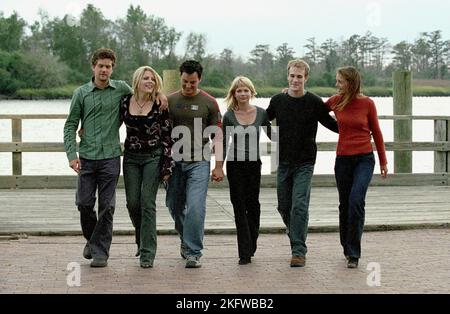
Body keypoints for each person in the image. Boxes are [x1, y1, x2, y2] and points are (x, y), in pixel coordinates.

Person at [63, 48, 167, 268]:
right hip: (87, 157)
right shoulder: (81, 93)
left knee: (107, 207)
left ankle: (101, 252)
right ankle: (92, 241)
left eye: (108, 66)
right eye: (100, 65)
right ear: (93, 67)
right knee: (83, 203)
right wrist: (72, 155)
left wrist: (159, 94)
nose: (104, 70)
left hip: (111, 157)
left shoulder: (121, 89)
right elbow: (70, 125)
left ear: (112, 68)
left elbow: (142, 93)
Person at [266, 59, 339, 267]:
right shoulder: (278, 100)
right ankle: (296, 232)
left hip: (305, 162)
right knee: (283, 206)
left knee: (299, 205)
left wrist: (359, 128)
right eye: (292, 76)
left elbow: (333, 125)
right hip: (283, 162)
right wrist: (272, 135)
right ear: (287, 76)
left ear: (306, 78)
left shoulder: (314, 102)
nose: (295, 80)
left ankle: (298, 250)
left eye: (299, 76)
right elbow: (263, 119)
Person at [325, 66, 388, 269]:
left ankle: (354, 253)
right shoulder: (335, 101)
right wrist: (290, 95)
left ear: (351, 82)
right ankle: (346, 245)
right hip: (342, 160)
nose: (337, 84)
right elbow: (314, 110)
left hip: (364, 159)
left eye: (340, 81)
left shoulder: (367, 103)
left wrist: (384, 161)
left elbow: (376, 132)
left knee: (356, 201)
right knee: (345, 205)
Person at [166, 60, 224, 268]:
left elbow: (217, 135)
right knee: (174, 205)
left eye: (192, 82)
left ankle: (193, 252)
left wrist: (219, 165)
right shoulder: (169, 101)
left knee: (196, 207)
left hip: (199, 161)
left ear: (199, 79)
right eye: (184, 82)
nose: (188, 86)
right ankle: (186, 237)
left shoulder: (209, 103)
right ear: (179, 78)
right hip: (174, 161)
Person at [120, 66, 174, 268]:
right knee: (132, 203)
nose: (150, 81)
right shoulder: (125, 102)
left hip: (153, 156)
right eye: (145, 78)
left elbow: (168, 136)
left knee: (147, 203)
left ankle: (147, 253)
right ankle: (141, 237)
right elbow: (111, 123)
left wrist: (167, 165)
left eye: (153, 79)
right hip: (131, 158)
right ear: (137, 81)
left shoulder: (160, 104)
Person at [217, 76, 271, 265]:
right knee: (239, 206)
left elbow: (274, 136)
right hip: (235, 165)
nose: (242, 93)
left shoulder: (262, 113)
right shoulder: (229, 116)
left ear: (251, 92)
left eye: (245, 90)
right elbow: (223, 143)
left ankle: (252, 240)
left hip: (254, 165)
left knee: (253, 205)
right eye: (239, 90)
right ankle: (244, 252)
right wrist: (218, 166)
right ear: (234, 93)